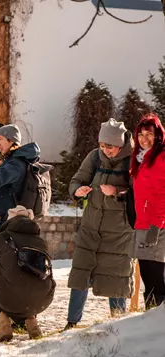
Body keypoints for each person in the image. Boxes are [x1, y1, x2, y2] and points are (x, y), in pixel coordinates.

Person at [65, 119, 134, 330]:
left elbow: (139, 193)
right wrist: (77, 191)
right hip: (90, 227)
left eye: (110, 146)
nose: (105, 150)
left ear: (120, 145)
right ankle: (72, 322)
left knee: (117, 275)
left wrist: (117, 193)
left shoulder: (133, 161)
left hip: (119, 232)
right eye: (103, 145)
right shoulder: (95, 157)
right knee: (80, 272)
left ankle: (118, 322)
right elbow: (77, 179)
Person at [0, 205, 56, 342]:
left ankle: (4, 326)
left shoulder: (0, 238)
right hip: (42, 300)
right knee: (29, 284)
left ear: (9, 221)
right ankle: (32, 325)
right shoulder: (42, 242)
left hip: (10, 296)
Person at [130, 114, 165, 310]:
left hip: (156, 225)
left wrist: (157, 224)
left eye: (149, 134)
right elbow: (145, 191)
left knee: (156, 276)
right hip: (143, 223)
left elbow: (163, 195)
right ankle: (150, 317)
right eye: (141, 135)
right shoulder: (141, 159)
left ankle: (158, 321)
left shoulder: (160, 158)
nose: (144, 139)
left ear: (157, 135)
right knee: (147, 274)